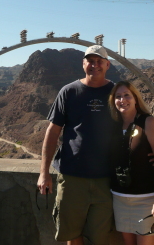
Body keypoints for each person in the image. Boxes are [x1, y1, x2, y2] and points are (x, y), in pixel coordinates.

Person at [37, 45, 119, 245]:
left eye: (99, 61)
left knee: (101, 237)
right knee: (72, 236)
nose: (95, 65)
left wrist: (151, 155)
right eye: (90, 61)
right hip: (72, 177)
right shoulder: (69, 91)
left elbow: (133, 125)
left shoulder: (117, 93)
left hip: (106, 179)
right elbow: (53, 131)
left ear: (107, 65)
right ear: (83, 64)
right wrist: (44, 172)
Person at [108, 81, 154, 245]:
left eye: (127, 95)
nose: (123, 100)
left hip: (147, 200)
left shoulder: (148, 122)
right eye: (118, 96)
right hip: (120, 200)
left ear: (135, 98)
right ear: (114, 101)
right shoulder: (114, 126)